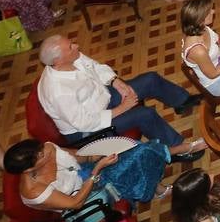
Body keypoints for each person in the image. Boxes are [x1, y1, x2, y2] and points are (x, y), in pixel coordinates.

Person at [35, 35, 206, 160]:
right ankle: (176, 149)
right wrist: (122, 108)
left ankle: (181, 101)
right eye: (71, 47)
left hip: (103, 97)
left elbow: (95, 67)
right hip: (89, 129)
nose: (77, 46)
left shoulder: (72, 58)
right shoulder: (58, 92)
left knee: (150, 80)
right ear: (58, 61)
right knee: (145, 115)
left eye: (71, 43)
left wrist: (114, 80)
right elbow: (84, 122)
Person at [3, 137, 170, 210]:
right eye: (39, 156)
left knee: (133, 148)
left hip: (90, 171)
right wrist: (98, 169)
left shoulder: (45, 148)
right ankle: (159, 182)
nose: (44, 152)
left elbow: (83, 157)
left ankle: (157, 187)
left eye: (39, 149)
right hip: (88, 194)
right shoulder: (35, 191)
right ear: (28, 169)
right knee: (140, 155)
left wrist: (103, 153)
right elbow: (75, 203)